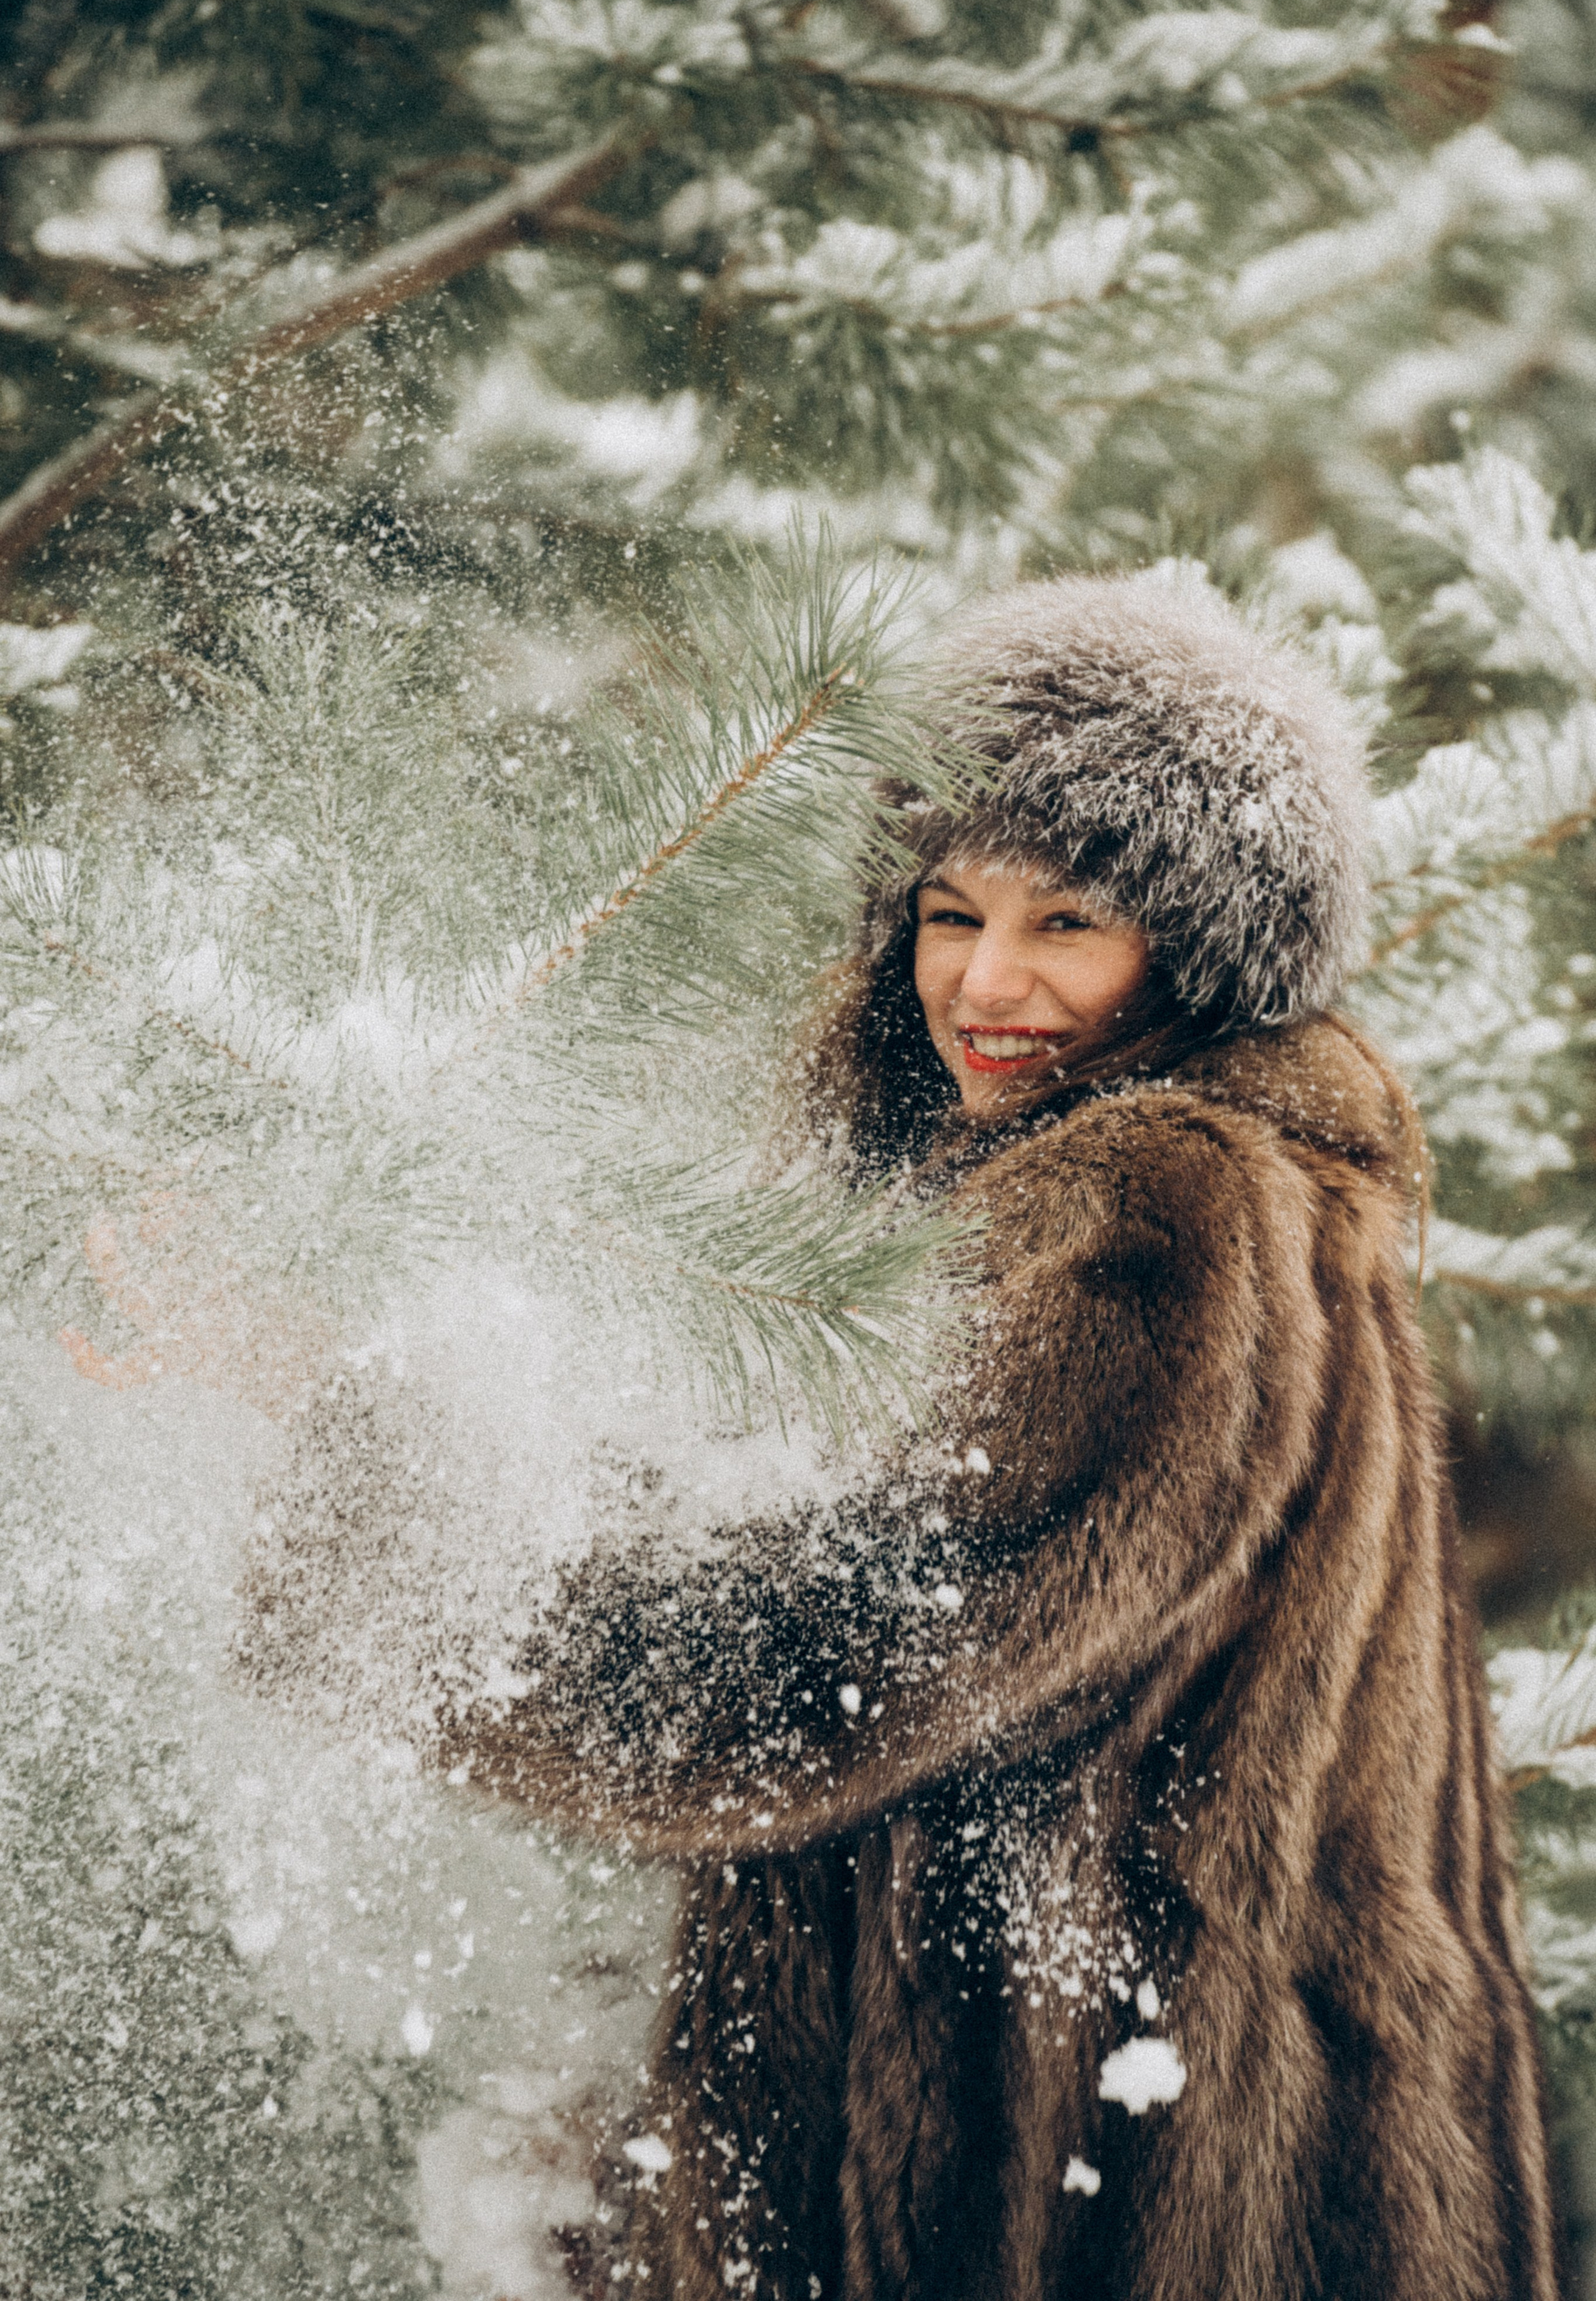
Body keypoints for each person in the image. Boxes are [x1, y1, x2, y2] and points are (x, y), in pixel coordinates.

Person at [236, 573, 1560, 2301]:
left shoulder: (1159, 1216)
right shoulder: (1033, 1202)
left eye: (1066, 922)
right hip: (1151, 2162)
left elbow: (814, 1679)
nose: (986, 982)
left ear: (1203, 948)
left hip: (1106, 2199)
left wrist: (343, 1438)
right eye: (950, 911)